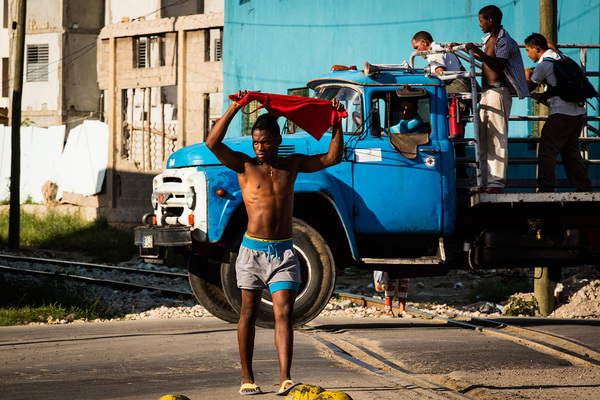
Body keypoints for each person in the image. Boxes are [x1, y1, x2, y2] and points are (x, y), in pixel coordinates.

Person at [206, 90, 345, 396]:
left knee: (284, 313)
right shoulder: (244, 166)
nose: (260, 147)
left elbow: (333, 157)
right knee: (248, 314)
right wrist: (234, 108)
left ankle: (285, 378)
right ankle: (247, 377)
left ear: (278, 140)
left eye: (265, 142)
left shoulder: (291, 165)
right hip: (251, 253)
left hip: (283, 252)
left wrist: (337, 123)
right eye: (256, 142)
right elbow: (212, 143)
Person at [452, 5, 529, 193]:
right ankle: (482, 181)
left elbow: (497, 65)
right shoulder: (489, 40)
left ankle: (495, 184)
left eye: (481, 20)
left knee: (496, 138)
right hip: (487, 93)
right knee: (483, 139)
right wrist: (465, 51)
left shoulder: (504, 41)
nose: (479, 24)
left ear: (490, 21)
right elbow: (487, 62)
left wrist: (476, 51)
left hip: (498, 93)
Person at [524, 33, 592, 193]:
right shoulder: (563, 58)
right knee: (571, 152)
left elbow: (528, 88)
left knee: (547, 150)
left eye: (528, 50)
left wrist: (527, 75)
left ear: (536, 48)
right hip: (577, 113)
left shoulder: (543, 65)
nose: (527, 54)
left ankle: (546, 189)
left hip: (561, 113)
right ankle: (584, 188)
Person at [411, 31, 472, 115]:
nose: (416, 51)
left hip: (455, 89)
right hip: (459, 89)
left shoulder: (434, 51)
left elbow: (440, 72)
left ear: (424, 42)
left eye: (416, 47)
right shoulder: (440, 48)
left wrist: (422, 81)